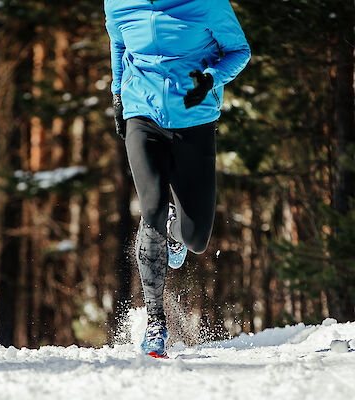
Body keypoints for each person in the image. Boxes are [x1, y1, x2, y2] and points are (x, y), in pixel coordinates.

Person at [105, 0, 250, 357]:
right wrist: (118, 93)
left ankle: (174, 229)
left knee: (197, 237)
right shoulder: (118, 3)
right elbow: (119, 44)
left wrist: (212, 78)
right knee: (150, 208)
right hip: (142, 114)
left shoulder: (207, 3)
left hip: (194, 118)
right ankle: (156, 323)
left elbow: (239, 51)